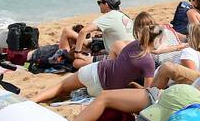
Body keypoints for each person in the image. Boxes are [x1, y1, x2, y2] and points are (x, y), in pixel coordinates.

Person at [31, 14, 163, 104]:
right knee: (66, 89)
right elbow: (147, 93)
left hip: (94, 72)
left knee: (61, 86)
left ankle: (31, 101)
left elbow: (116, 55)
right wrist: (134, 85)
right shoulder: (149, 62)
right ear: (157, 41)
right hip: (102, 90)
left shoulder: (132, 44)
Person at [56, 0, 132, 56]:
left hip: (116, 55)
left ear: (106, 5)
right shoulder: (124, 16)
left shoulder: (109, 17)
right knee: (88, 42)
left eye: (99, 2)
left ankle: (62, 57)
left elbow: (83, 31)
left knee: (77, 62)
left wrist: (77, 53)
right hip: (128, 51)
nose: (99, 5)